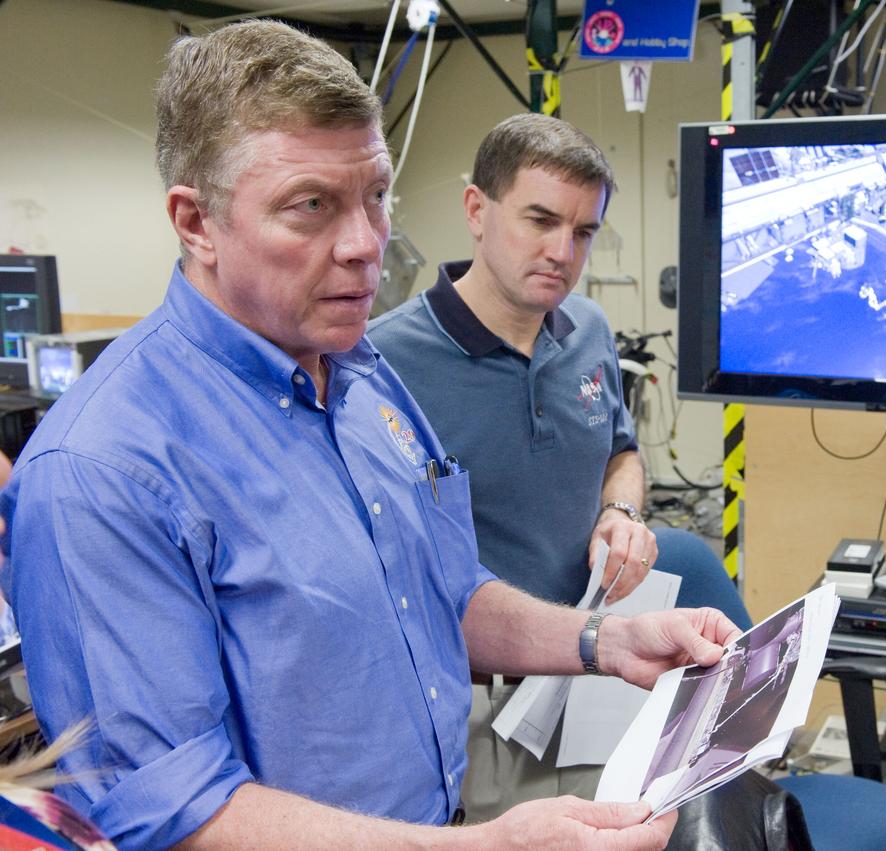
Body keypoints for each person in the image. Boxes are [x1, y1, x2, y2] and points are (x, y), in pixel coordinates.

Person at [0, 21, 739, 851]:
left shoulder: (357, 377)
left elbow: (446, 593)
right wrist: (489, 848)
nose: (366, 245)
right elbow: (177, 813)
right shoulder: (102, 471)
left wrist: (603, 639)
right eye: (311, 206)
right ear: (196, 222)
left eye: (376, 196)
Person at [368, 114, 751, 821]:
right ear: (476, 210)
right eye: (540, 220)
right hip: (481, 700)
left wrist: (622, 510)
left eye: (583, 231)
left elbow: (622, 452)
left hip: (598, 661)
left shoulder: (589, 331)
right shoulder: (383, 365)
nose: (561, 251)